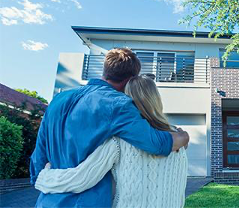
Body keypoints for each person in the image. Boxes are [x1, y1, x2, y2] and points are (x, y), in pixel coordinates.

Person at [30, 48, 190, 207]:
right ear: (130, 81)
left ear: (105, 70)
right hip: (86, 202)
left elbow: (38, 158)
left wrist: (44, 181)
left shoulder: (58, 100)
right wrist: (182, 137)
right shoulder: (118, 104)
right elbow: (154, 143)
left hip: (47, 200)